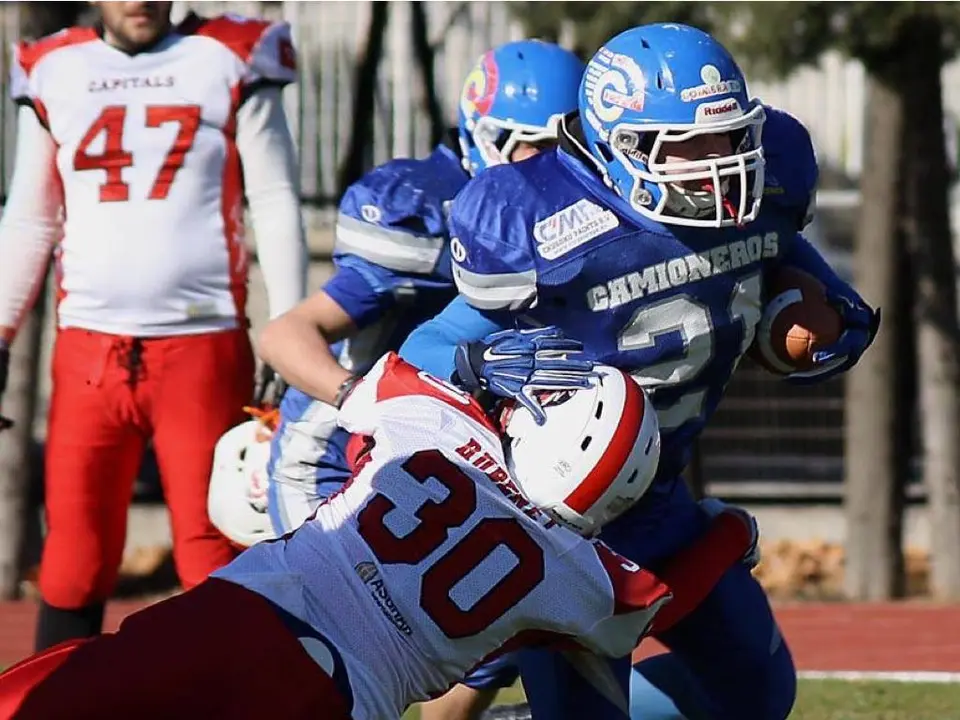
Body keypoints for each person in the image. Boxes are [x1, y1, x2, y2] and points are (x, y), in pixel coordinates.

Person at [399, 23, 879, 720]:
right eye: (689, 145)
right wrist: (484, 365)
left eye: (730, 138)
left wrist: (817, 322)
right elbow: (427, 348)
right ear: (618, 147)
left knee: (758, 695)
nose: (720, 164)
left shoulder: (762, 191)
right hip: (562, 529)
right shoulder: (543, 220)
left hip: (661, 504)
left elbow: (819, 296)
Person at [0, 353, 758, 720]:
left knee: (54, 697)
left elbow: (383, 381)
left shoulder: (439, 421)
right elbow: (656, 604)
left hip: (251, 613)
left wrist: (476, 372)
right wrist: (728, 534)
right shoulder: (575, 571)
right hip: (336, 698)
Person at [216, 39, 584, 720]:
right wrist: (364, 400)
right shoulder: (430, 210)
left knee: (481, 640)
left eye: (569, 148)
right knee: (340, 665)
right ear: (487, 137)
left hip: (448, 462)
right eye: (538, 147)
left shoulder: (575, 217)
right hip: (338, 459)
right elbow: (286, 334)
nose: (554, 168)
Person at [0, 1, 307, 651]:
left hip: (201, 344)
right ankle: (59, 696)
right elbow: (29, 217)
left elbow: (274, 198)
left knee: (212, 549)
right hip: (88, 346)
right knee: (74, 556)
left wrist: (289, 327)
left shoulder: (229, 54)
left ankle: (225, 693)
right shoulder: (54, 64)